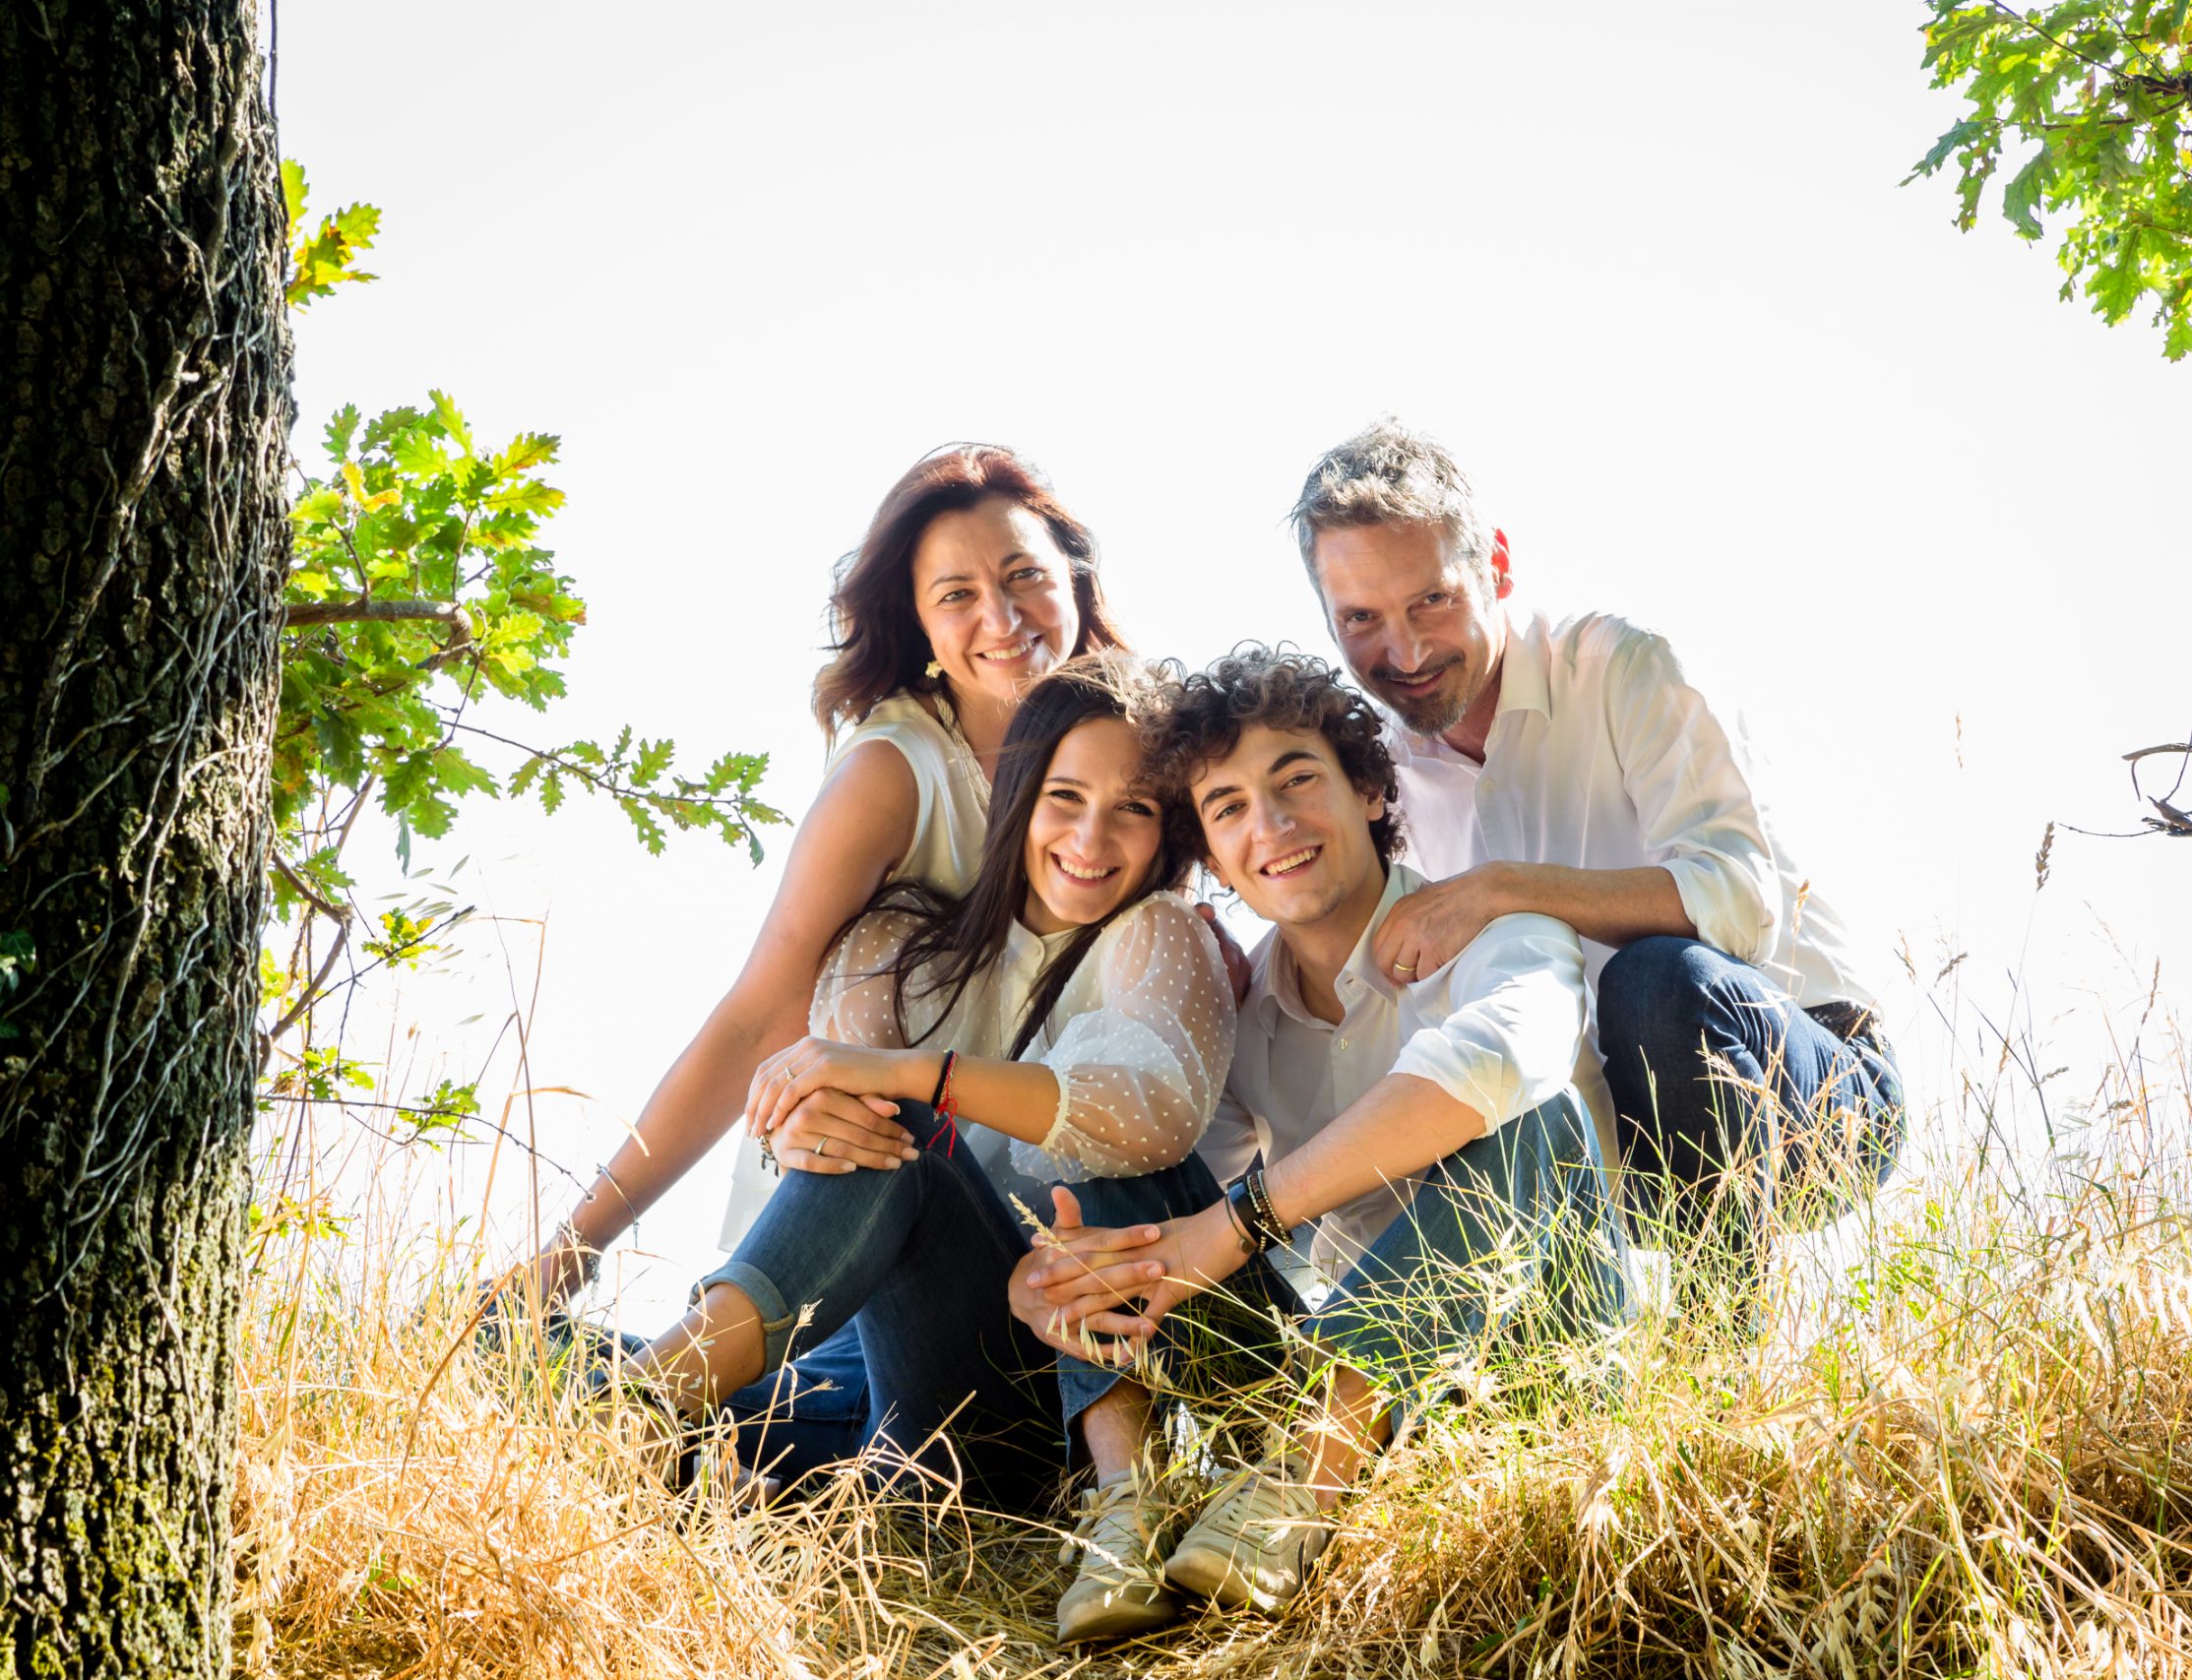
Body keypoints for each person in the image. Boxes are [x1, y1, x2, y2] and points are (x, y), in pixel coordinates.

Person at [509, 444, 1129, 1478]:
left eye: (1025, 574)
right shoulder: (897, 771)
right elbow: (760, 1016)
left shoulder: (1137, 758)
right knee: (499, 1350)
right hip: (862, 1301)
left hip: (1023, 1307)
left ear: (1076, 578)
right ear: (918, 623)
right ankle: (641, 1425)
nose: (1001, 614)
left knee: (904, 1120)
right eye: (956, 594)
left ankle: (640, 1419)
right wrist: (573, 1249)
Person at [1008, 650, 1625, 1641]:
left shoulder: (1495, 931)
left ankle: (1309, 1484)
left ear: (1370, 790)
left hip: (1529, 1369)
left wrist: (1238, 1223)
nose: (1272, 826)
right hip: (1324, 1391)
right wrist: (1053, 1276)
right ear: (1212, 856)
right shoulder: (1244, 1012)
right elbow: (1169, 1205)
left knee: (1531, 1114)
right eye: (1229, 807)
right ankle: (1127, 1506)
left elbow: (1497, 1065)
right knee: (1132, 1148)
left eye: (1296, 781)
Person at [608, 654, 1237, 1509]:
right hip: (838, 1369)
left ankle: (640, 1413)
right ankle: (672, 1434)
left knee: (903, 1125)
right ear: (1016, 795)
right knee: (521, 1345)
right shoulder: (898, 944)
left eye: (1134, 809)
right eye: (1064, 796)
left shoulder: (1161, 935)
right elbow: (846, 1129)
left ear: (1168, 832)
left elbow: (1148, 1111)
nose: (1091, 840)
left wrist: (915, 1075)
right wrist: (807, 1124)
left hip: (1002, 1396)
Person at [1283, 417, 1903, 1282]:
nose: (1407, 650)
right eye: (1361, 617)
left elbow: (1738, 904)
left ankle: (1722, 1340)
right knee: (1466, 1086)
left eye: (1432, 600)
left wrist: (1502, 888)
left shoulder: (1621, 668)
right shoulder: (1374, 774)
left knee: (1656, 978)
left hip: (1809, 1087)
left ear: (1497, 565)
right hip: (1603, 1115)